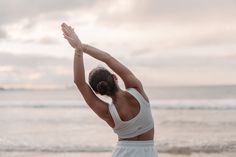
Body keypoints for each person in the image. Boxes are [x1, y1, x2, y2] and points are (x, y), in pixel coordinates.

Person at [61, 23, 158, 157]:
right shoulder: (136, 90)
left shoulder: (108, 113)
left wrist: (78, 51)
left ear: (98, 92)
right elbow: (108, 58)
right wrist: (82, 46)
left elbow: (80, 83)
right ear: (114, 77)